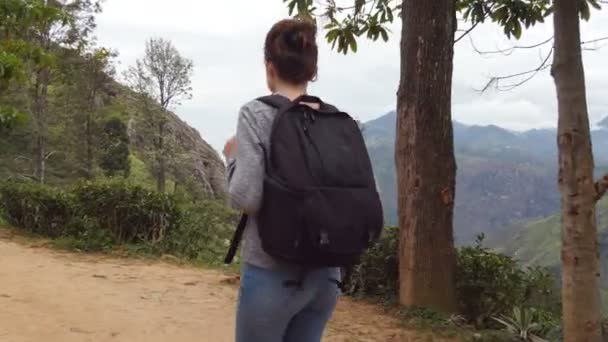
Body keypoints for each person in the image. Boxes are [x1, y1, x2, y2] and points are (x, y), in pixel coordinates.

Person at [223, 18, 341, 342]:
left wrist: (231, 159)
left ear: (269, 66)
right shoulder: (332, 118)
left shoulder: (256, 114)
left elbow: (246, 198)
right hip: (326, 277)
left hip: (272, 276)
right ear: (312, 71)